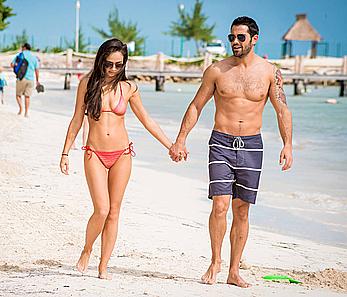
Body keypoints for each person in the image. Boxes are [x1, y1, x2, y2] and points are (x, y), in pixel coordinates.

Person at [169, 16, 293, 288]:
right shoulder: (217, 71)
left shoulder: (270, 72)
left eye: (241, 38)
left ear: (254, 39)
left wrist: (287, 144)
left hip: (252, 145)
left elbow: (282, 108)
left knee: (242, 210)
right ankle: (215, 262)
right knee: (220, 205)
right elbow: (195, 106)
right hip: (221, 143)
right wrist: (180, 140)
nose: (235, 42)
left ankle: (234, 271)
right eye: (232, 38)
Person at [60, 38, 172, 280]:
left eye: (118, 65)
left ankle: (103, 266)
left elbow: (147, 121)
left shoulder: (129, 88)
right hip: (95, 154)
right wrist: (65, 152)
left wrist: (171, 145)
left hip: (122, 154)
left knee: (114, 212)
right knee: (101, 209)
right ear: (101, 60)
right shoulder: (87, 84)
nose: (112, 70)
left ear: (124, 64)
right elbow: (77, 120)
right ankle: (87, 249)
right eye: (108, 64)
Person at [10, 43, 40, 117]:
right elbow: (37, 70)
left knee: (18, 95)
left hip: (21, 78)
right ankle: (26, 113)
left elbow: (11, 64)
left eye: (22, 47)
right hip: (31, 80)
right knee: (27, 96)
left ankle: (21, 109)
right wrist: (37, 80)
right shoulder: (34, 57)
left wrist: (16, 67)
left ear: (24, 48)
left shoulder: (20, 55)